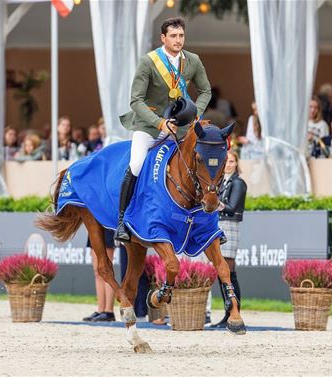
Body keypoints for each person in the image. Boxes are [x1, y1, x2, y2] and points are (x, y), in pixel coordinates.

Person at [115, 17, 211, 242]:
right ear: (163, 38)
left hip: (180, 126)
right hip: (149, 125)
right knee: (137, 163)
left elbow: (205, 90)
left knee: (195, 162)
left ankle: (204, 222)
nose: (178, 40)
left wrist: (196, 113)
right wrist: (159, 123)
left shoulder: (193, 60)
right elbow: (135, 101)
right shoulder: (148, 62)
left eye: (181, 36)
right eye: (174, 36)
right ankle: (122, 220)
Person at [211, 150, 247, 328]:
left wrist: (215, 204)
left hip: (230, 226)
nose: (228, 165)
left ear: (236, 163)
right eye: (226, 161)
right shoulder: (220, 182)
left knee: (229, 271)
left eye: (232, 161)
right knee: (221, 272)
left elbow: (233, 207)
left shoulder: (238, 183)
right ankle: (228, 311)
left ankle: (235, 311)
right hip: (219, 224)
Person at [82, 229, 116, 322]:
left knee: (106, 271)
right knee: (97, 271)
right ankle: (101, 310)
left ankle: (109, 311)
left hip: (106, 225)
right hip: (94, 226)